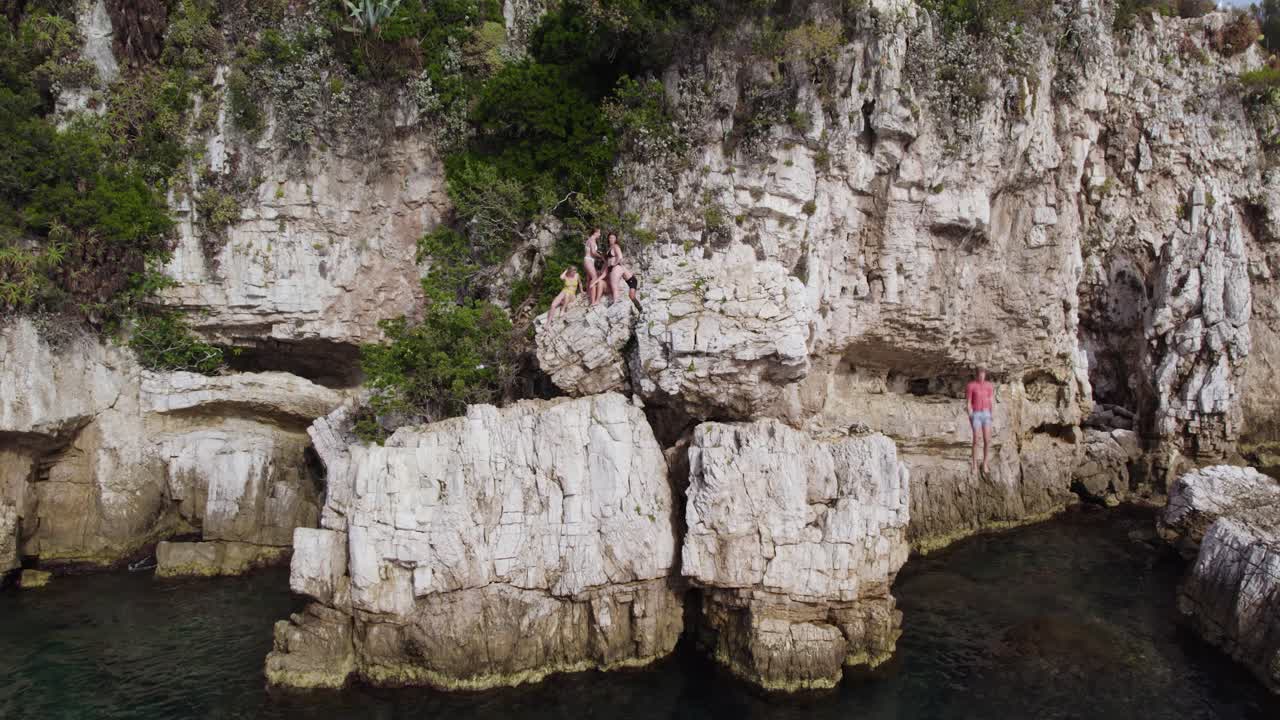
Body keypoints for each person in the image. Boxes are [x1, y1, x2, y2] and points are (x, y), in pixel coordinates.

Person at [966, 367, 995, 474]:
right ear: (976, 375)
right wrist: (970, 415)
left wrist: (992, 413)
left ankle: (985, 463)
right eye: (980, 374)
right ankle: (974, 465)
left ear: (985, 374)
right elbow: (969, 402)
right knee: (976, 440)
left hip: (986, 413)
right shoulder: (971, 385)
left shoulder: (989, 385)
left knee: (987, 440)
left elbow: (991, 400)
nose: (981, 376)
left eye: (983, 374)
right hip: (976, 414)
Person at [583, 229, 604, 305]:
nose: (600, 234)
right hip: (589, 260)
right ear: (595, 232)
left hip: (588, 260)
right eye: (599, 233)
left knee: (589, 278)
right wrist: (602, 257)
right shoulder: (592, 240)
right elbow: (593, 252)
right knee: (594, 278)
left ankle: (588, 296)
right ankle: (593, 301)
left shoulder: (589, 240)